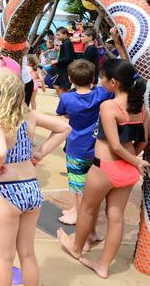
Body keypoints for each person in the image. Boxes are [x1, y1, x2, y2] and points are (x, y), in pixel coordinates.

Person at [57, 59, 149, 279]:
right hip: (127, 172)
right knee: (115, 218)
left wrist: (133, 161)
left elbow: (115, 145)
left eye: (103, 78)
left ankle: (77, 248)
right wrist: (133, 159)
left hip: (105, 168)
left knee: (88, 208)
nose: (100, 81)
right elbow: (143, 142)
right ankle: (103, 265)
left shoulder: (109, 106)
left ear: (114, 82)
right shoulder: (141, 108)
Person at [0, 70, 69, 286]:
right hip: (31, 188)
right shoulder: (29, 115)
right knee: (28, 253)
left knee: (4, 257)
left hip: (6, 192)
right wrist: (40, 152)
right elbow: (64, 128)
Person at [55, 59, 113, 226]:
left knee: (77, 185)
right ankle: (76, 210)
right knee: (87, 184)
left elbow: (64, 115)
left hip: (75, 149)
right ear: (93, 79)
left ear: (70, 79)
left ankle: (79, 216)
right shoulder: (101, 94)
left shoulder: (67, 98)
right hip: (96, 149)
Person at [52, 27, 75, 95]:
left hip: (66, 69)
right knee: (57, 86)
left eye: (58, 35)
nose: (57, 36)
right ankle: (63, 102)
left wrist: (57, 61)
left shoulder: (67, 43)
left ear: (65, 34)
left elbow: (68, 58)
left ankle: (66, 103)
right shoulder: (65, 42)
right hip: (63, 68)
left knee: (65, 89)